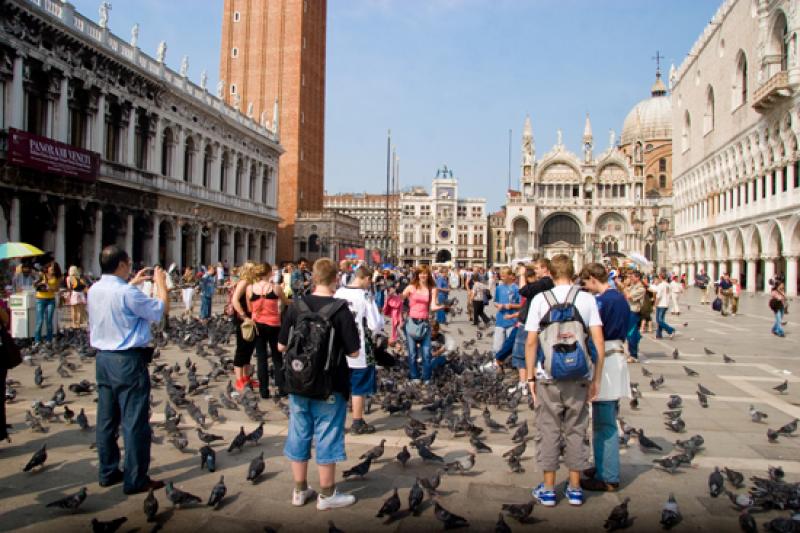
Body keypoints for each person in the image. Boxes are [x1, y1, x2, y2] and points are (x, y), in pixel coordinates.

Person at [278, 258, 360, 510]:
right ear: (336, 278)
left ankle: (300, 491)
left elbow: (281, 346)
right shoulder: (340, 309)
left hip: (298, 382)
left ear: (312, 277)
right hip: (330, 385)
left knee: (299, 432)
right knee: (327, 434)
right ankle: (327, 494)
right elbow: (354, 353)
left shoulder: (296, 306)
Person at [524, 254, 605, 508]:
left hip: (548, 376)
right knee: (576, 430)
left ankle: (548, 490)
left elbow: (530, 342)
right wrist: (597, 378)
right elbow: (599, 343)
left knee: (548, 429)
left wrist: (529, 378)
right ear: (573, 272)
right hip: (580, 375)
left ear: (550, 273)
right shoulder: (587, 299)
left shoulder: (540, 299)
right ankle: (575, 488)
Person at [87, 245, 168, 494]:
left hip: (103, 360)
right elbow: (158, 310)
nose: (131, 266)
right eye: (129, 263)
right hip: (127, 361)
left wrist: (130, 283)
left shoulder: (94, 289)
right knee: (134, 421)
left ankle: (108, 472)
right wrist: (161, 283)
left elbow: (119, 298)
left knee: (106, 420)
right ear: (121, 264)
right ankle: (135, 479)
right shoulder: (126, 293)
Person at [579, 263, 631, 492]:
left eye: (586, 282)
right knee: (607, 416)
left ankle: (608, 477)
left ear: (592, 278)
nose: (586, 288)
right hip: (617, 355)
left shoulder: (602, 301)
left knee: (604, 422)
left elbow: (594, 332)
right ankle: (601, 465)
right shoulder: (620, 298)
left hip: (606, 359)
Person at [335, 265, 384, 434]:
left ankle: (336, 421)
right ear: (367, 279)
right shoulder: (365, 295)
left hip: (338, 347)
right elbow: (375, 324)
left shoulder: (339, 292)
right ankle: (357, 422)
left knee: (339, 385)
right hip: (358, 346)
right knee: (358, 385)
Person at [508, 259, 553, 394]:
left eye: (538, 268)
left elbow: (523, 291)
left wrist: (522, 274)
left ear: (545, 268)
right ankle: (531, 383)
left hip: (530, 324)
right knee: (535, 355)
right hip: (538, 324)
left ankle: (526, 384)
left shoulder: (545, 283)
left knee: (523, 354)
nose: (535, 271)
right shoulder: (547, 284)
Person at [247, 263, 288, 399]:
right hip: (274, 325)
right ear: (269, 273)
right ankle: (281, 388)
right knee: (277, 358)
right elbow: (286, 302)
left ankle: (264, 391)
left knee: (261, 358)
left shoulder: (250, 288)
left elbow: (250, 308)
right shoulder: (275, 288)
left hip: (257, 324)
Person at [402, 265, 442, 384]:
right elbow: (399, 300)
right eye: (421, 273)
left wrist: (444, 306)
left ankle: (427, 377)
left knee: (426, 353)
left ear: (428, 275)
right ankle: (415, 376)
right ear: (417, 275)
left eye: (425, 273)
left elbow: (433, 307)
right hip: (411, 322)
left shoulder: (432, 289)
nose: (423, 275)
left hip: (425, 323)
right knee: (413, 353)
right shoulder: (411, 287)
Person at [231, 261, 257, 391]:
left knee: (249, 349)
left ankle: (246, 377)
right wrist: (243, 315)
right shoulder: (243, 282)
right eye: (253, 269)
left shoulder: (251, 283)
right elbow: (234, 299)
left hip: (250, 318)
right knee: (241, 348)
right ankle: (239, 379)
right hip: (243, 319)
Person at [494, 266, 521, 360]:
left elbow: (522, 305)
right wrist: (498, 305)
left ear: (510, 276)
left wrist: (511, 306)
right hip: (500, 319)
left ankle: (510, 362)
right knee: (497, 346)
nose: (502, 278)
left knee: (511, 345)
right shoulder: (499, 288)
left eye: (504, 276)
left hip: (512, 320)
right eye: (501, 276)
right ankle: (497, 362)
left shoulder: (517, 289)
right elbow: (495, 301)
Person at [34, 262, 61, 343]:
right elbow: (35, 285)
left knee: (49, 320)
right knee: (40, 320)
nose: (53, 270)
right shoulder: (42, 275)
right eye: (51, 268)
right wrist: (42, 283)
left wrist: (51, 288)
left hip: (50, 299)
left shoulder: (57, 277)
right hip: (40, 299)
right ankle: (37, 341)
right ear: (48, 268)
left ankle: (48, 340)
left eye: (54, 269)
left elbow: (57, 289)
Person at [623, 270, 645, 363]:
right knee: (630, 333)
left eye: (632, 277)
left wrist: (624, 287)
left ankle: (634, 355)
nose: (630, 279)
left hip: (634, 312)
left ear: (638, 278)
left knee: (631, 334)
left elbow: (628, 296)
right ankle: (632, 351)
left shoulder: (641, 289)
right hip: (628, 311)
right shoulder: (633, 286)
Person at [649, 272, 675, 339]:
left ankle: (670, 330)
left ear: (660, 277)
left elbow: (658, 296)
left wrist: (655, 305)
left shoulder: (661, 285)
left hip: (661, 304)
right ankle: (658, 335)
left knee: (659, 321)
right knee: (661, 320)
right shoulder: (668, 285)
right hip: (666, 304)